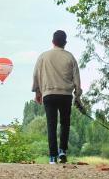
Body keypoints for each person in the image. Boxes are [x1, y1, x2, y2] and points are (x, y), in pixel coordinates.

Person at [32, 30, 82, 165]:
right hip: (65, 95)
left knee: (51, 125)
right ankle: (62, 152)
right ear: (65, 43)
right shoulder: (70, 57)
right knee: (65, 124)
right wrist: (77, 96)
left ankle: (52, 157)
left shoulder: (43, 56)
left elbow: (36, 75)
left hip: (48, 94)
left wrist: (37, 92)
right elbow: (77, 78)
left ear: (53, 41)